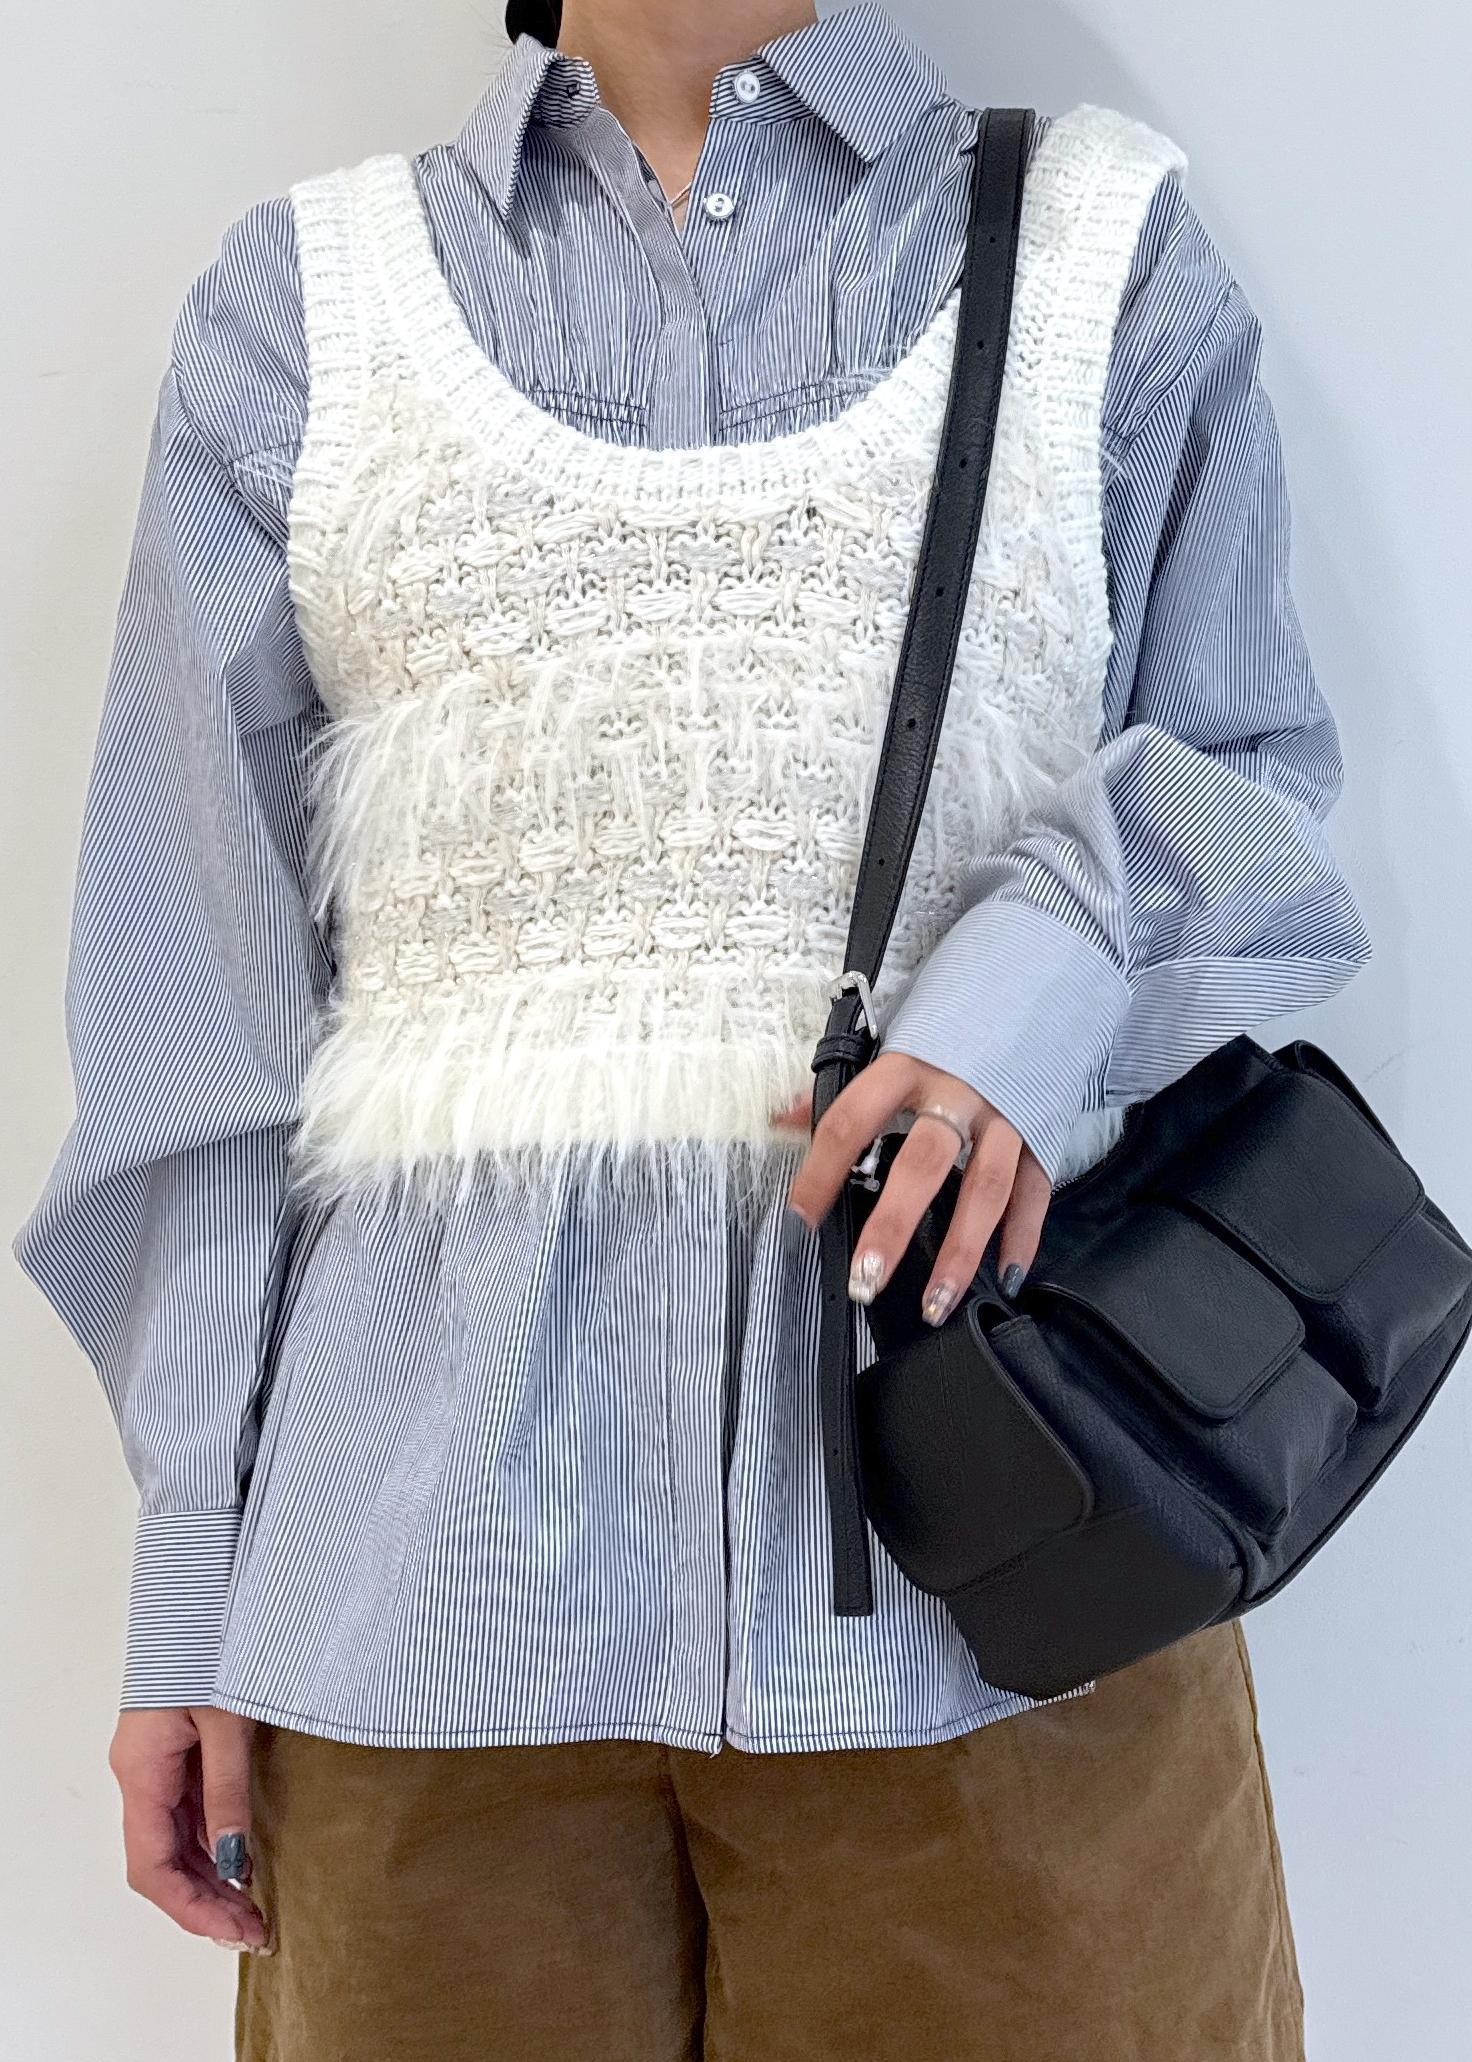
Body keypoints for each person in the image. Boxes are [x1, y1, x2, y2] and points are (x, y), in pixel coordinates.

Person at [13, 2, 1372, 2055]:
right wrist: (191, 1570)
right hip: (420, 1620)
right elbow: (195, 1000)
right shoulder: (302, 307)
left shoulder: (1100, 247)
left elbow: (1248, 761)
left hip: (1006, 1600)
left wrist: (1032, 983)